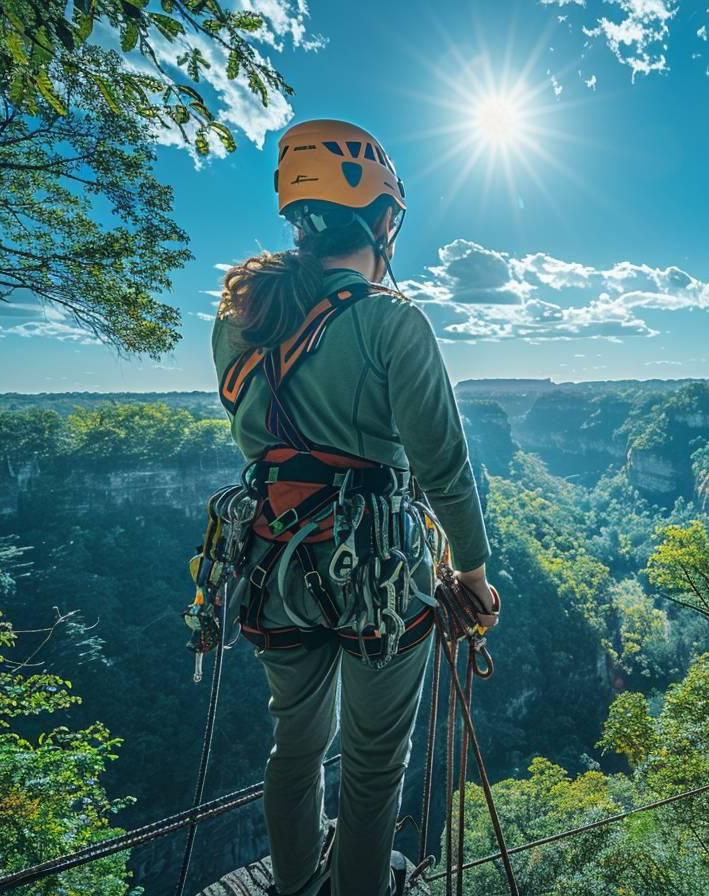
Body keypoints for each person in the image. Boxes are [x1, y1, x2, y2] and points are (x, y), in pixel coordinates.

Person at [210, 118, 499, 896]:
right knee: (374, 765)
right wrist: (471, 572)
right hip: (380, 572)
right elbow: (443, 465)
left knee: (294, 750)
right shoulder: (392, 320)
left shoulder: (241, 319)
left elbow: (260, 440)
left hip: (275, 559)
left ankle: (296, 887)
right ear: (382, 220)